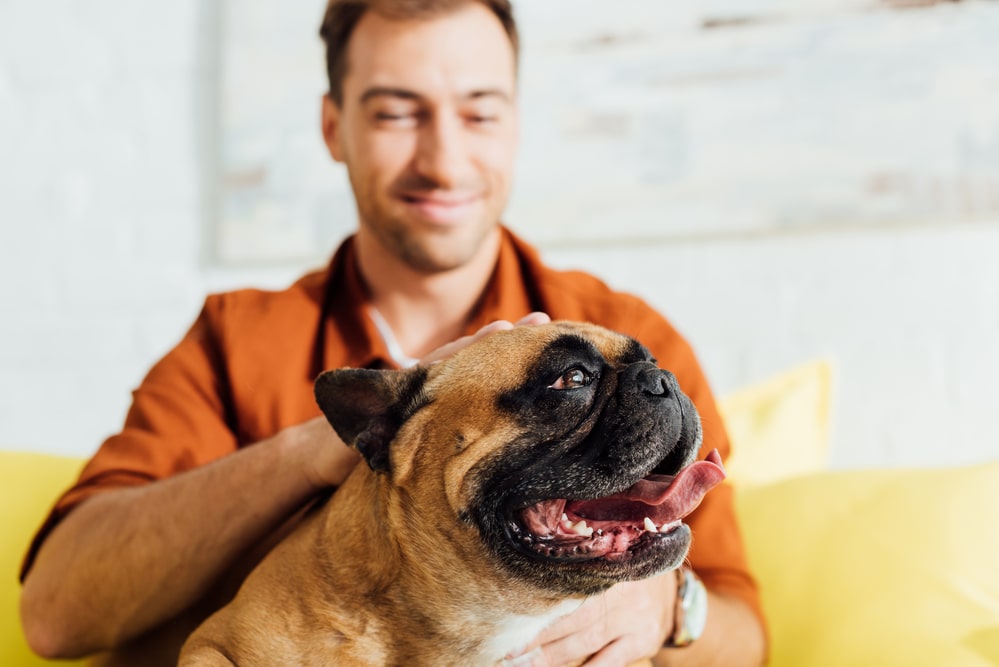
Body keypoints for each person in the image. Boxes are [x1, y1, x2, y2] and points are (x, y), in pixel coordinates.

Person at [19, 1, 767, 665]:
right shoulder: (235, 340)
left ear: (514, 121)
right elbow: (55, 613)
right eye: (395, 112)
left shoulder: (625, 337)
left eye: (478, 112)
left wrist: (669, 607)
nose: (443, 160)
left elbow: (746, 629)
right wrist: (311, 450)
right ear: (331, 126)